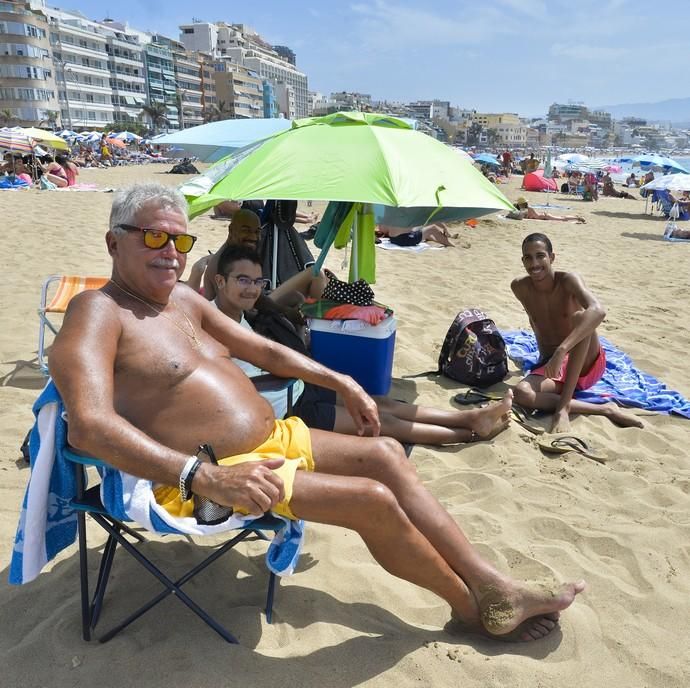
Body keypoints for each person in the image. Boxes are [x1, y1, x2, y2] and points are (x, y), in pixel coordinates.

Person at [49, 183, 585, 642]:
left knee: (385, 454)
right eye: (154, 237)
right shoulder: (98, 312)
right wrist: (206, 475)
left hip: (274, 439)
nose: (171, 251)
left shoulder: (180, 302)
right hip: (204, 477)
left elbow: (264, 350)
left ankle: (489, 584)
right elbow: (90, 426)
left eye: (181, 240)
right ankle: (470, 613)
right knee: (372, 500)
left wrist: (340, 380)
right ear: (113, 241)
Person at [214, 244, 512, 445]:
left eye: (257, 282)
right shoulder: (212, 323)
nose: (252, 289)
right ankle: (467, 433)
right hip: (288, 410)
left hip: (298, 388)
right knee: (379, 424)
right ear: (219, 282)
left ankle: (468, 416)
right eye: (243, 280)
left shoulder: (242, 315)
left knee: (378, 403)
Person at [511, 233, 644, 433]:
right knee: (522, 394)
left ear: (552, 257)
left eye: (540, 256)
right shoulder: (520, 287)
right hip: (553, 369)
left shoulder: (568, 281)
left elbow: (598, 310)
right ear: (523, 261)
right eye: (528, 258)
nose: (535, 263)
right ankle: (605, 409)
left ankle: (563, 409)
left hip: (585, 363)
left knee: (582, 317)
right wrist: (549, 357)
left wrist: (562, 350)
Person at [195, 208, 328, 308]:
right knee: (315, 274)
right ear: (231, 230)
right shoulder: (223, 261)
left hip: (254, 303)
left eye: (257, 232)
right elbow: (235, 305)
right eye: (246, 230)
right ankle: (315, 322)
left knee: (299, 295)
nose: (253, 237)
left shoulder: (236, 253)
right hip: (249, 312)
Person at [508, 198, 586, 224]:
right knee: (562, 218)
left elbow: (516, 214)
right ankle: (576, 217)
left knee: (563, 219)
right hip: (544, 216)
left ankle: (577, 218)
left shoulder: (527, 209)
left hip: (545, 216)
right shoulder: (526, 209)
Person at [378, 222, 455, 247]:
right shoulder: (413, 212)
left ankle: (430, 238)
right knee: (433, 228)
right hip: (405, 240)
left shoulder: (393, 213)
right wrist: (445, 228)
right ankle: (451, 244)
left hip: (393, 239)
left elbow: (383, 230)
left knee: (422, 230)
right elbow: (434, 220)